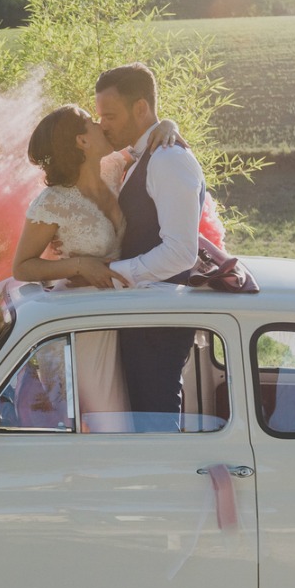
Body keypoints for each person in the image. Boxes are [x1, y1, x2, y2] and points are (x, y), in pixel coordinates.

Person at [10, 104, 186, 424]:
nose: (101, 124)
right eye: (92, 122)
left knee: (135, 404)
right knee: (111, 423)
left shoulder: (113, 169)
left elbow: (151, 142)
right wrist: (80, 265)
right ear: (82, 142)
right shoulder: (52, 202)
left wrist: (170, 124)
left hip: (121, 309)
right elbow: (22, 267)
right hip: (83, 320)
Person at [93, 62, 208, 422]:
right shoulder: (145, 153)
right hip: (140, 315)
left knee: (155, 423)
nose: (102, 125)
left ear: (140, 108)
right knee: (142, 421)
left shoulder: (169, 160)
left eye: (109, 115)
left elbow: (181, 252)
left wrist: (112, 273)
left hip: (158, 323)